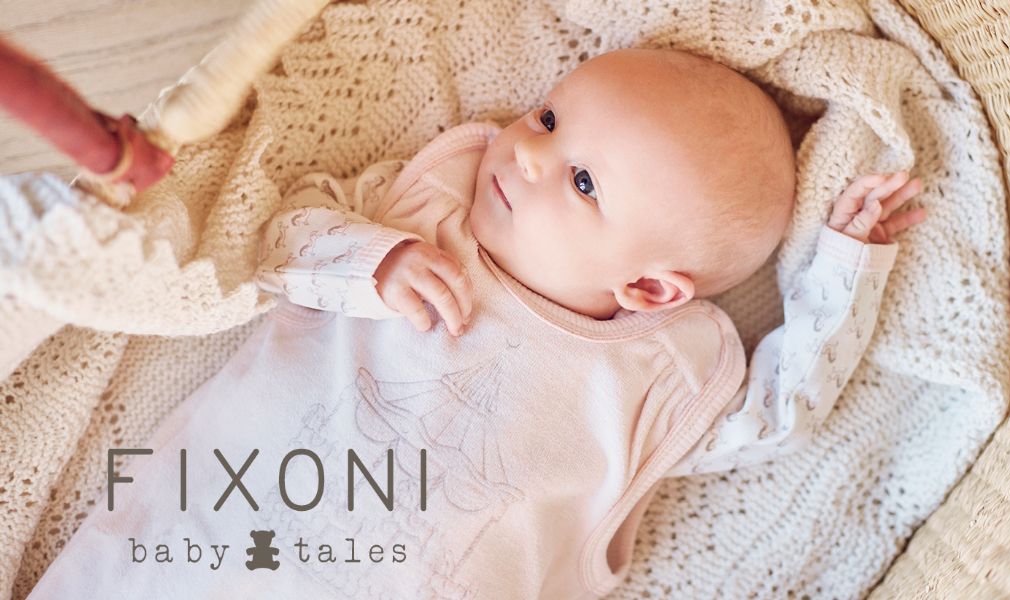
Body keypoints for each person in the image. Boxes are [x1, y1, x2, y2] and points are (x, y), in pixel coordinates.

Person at [28, 47, 923, 599]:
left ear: (649, 289)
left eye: (581, 181)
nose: (528, 152)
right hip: (192, 549)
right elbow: (279, 236)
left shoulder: (656, 377)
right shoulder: (427, 213)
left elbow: (776, 413)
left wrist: (845, 269)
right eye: (549, 116)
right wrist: (373, 263)